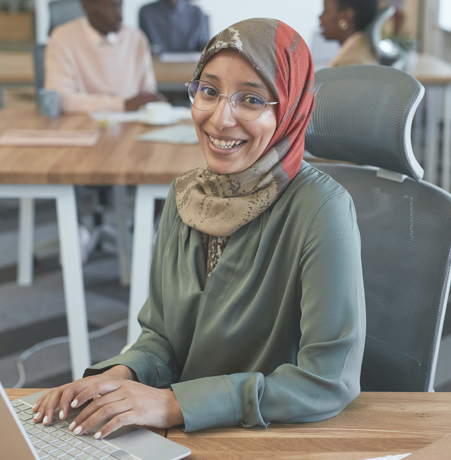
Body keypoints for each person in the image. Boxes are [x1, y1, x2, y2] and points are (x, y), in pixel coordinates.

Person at [32, 18, 366, 436]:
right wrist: (122, 376)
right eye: (208, 91)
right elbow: (162, 338)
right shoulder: (185, 196)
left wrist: (175, 403)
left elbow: (328, 381)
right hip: (187, 432)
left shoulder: (322, 210)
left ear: (292, 108)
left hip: (272, 437)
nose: (220, 118)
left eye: (251, 99)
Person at [44, 0, 165, 113]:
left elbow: (147, 93)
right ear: (87, 5)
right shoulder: (62, 39)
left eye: (120, 5)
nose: (119, 15)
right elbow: (60, 99)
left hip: (131, 125)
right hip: (83, 125)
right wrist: (123, 105)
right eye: (111, 6)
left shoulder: (136, 38)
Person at [320, 0, 379, 66]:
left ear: (346, 17)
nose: (320, 17)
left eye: (326, 11)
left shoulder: (351, 64)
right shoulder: (361, 53)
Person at [139, 0, 209, 54]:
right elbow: (143, 45)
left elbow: (203, 44)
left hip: (190, 68)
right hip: (157, 67)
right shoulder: (146, 12)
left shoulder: (196, 12)